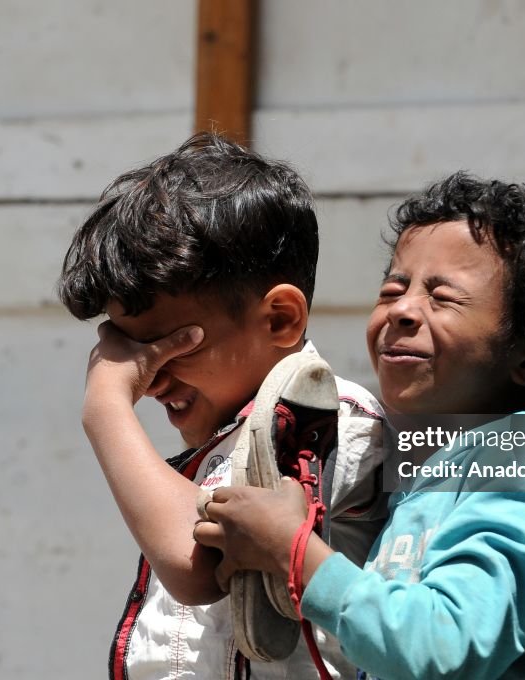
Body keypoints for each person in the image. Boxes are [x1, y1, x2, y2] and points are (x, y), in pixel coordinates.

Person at [195, 172, 525, 679]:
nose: (401, 309)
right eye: (392, 289)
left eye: (442, 298)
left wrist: (289, 549)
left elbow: (444, 647)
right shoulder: (420, 480)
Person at [57, 133, 389, 680]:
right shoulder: (220, 447)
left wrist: (105, 408)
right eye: (132, 354)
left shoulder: (327, 419)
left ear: (280, 319)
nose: (148, 381)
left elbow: (198, 565)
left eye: (173, 346)